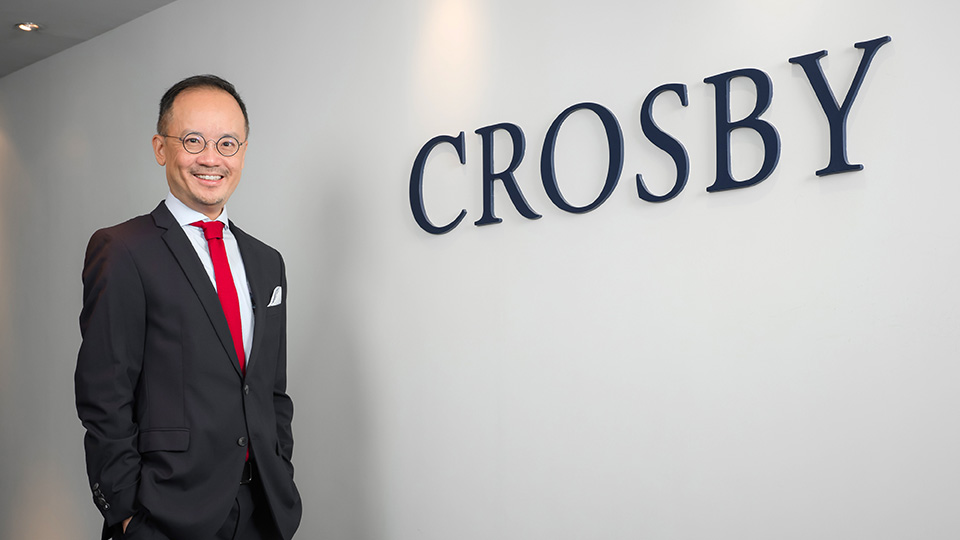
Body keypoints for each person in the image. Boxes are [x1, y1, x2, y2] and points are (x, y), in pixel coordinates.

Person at [75, 74, 302, 539]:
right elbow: (104, 394)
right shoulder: (123, 249)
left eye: (227, 144)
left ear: (243, 153)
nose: (211, 158)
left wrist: (280, 466)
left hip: (262, 510)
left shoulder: (267, 261)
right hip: (165, 513)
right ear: (161, 148)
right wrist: (125, 512)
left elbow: (270, 389)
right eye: (193, 140)